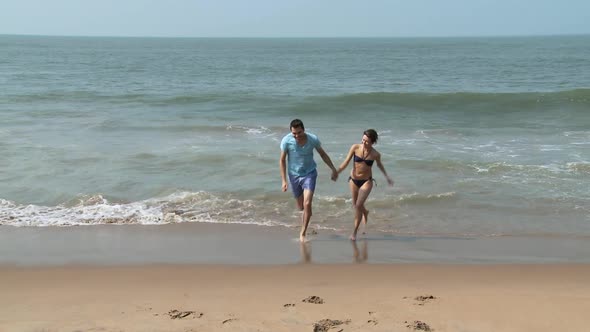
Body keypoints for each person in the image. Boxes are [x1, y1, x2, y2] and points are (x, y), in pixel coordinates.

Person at [280, 119, 338, 242]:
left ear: (304, 130)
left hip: (309, 174)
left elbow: (323, 154)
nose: (296, 136)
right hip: (294, 175)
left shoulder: (312, 139)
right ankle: (307, 216)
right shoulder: (286, 141)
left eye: (299, 133)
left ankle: (303, 232)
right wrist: (284, 181)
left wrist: (333, 169)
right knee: (301, 207)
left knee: (307, 204)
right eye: (294, 133)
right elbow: (282, 160)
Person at [337, 129, 394, 241]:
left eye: (367, 141)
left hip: (366, 181)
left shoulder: (375, 154)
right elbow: (346, 161)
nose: (364, 143)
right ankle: (365, 212)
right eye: (363, 140)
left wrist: (387, 177)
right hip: (353, 180)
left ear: (372, 142)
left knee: (358, 205)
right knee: (355, 204)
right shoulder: (355, 147)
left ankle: (354, 233)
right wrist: (337, 172)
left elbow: (380, 166)